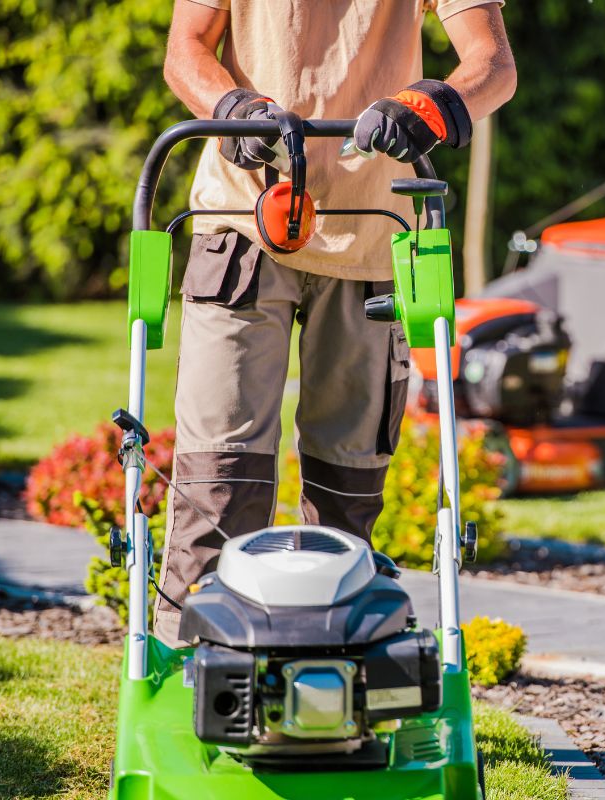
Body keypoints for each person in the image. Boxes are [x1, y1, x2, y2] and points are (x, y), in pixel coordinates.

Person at [154, 0, 516, 646]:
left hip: (372, 235)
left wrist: (431, 107)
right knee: (217, 483)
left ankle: (333, 678)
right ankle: (185, 674)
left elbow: (492, 65)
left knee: (345, 499)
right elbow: (185, 50)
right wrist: (230, 106)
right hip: (243, 223)